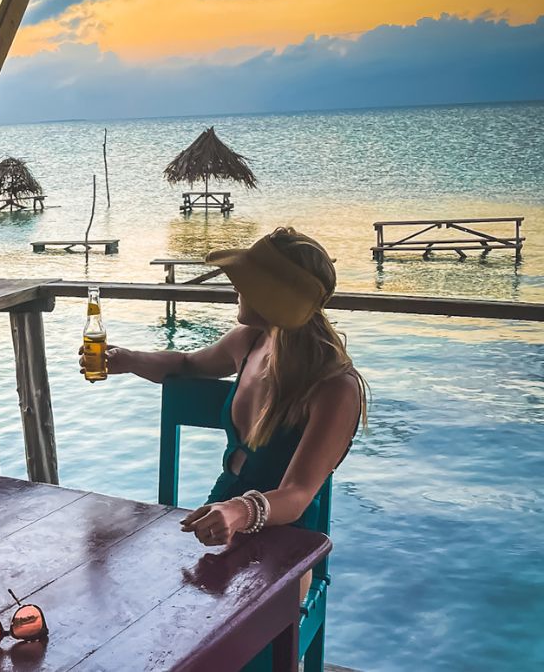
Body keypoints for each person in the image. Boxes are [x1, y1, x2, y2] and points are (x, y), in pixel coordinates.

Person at [79, 227, 366, 598]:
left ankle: (281, 657)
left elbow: (296, 495)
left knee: (220, 626)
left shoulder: (334, 387)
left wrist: (239, 511)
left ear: (272, 295)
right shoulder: (249, 341)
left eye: (247, 281)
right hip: (221, 510)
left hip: (286, 539)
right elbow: (185, 364)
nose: (236, 288)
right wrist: (127, 359)